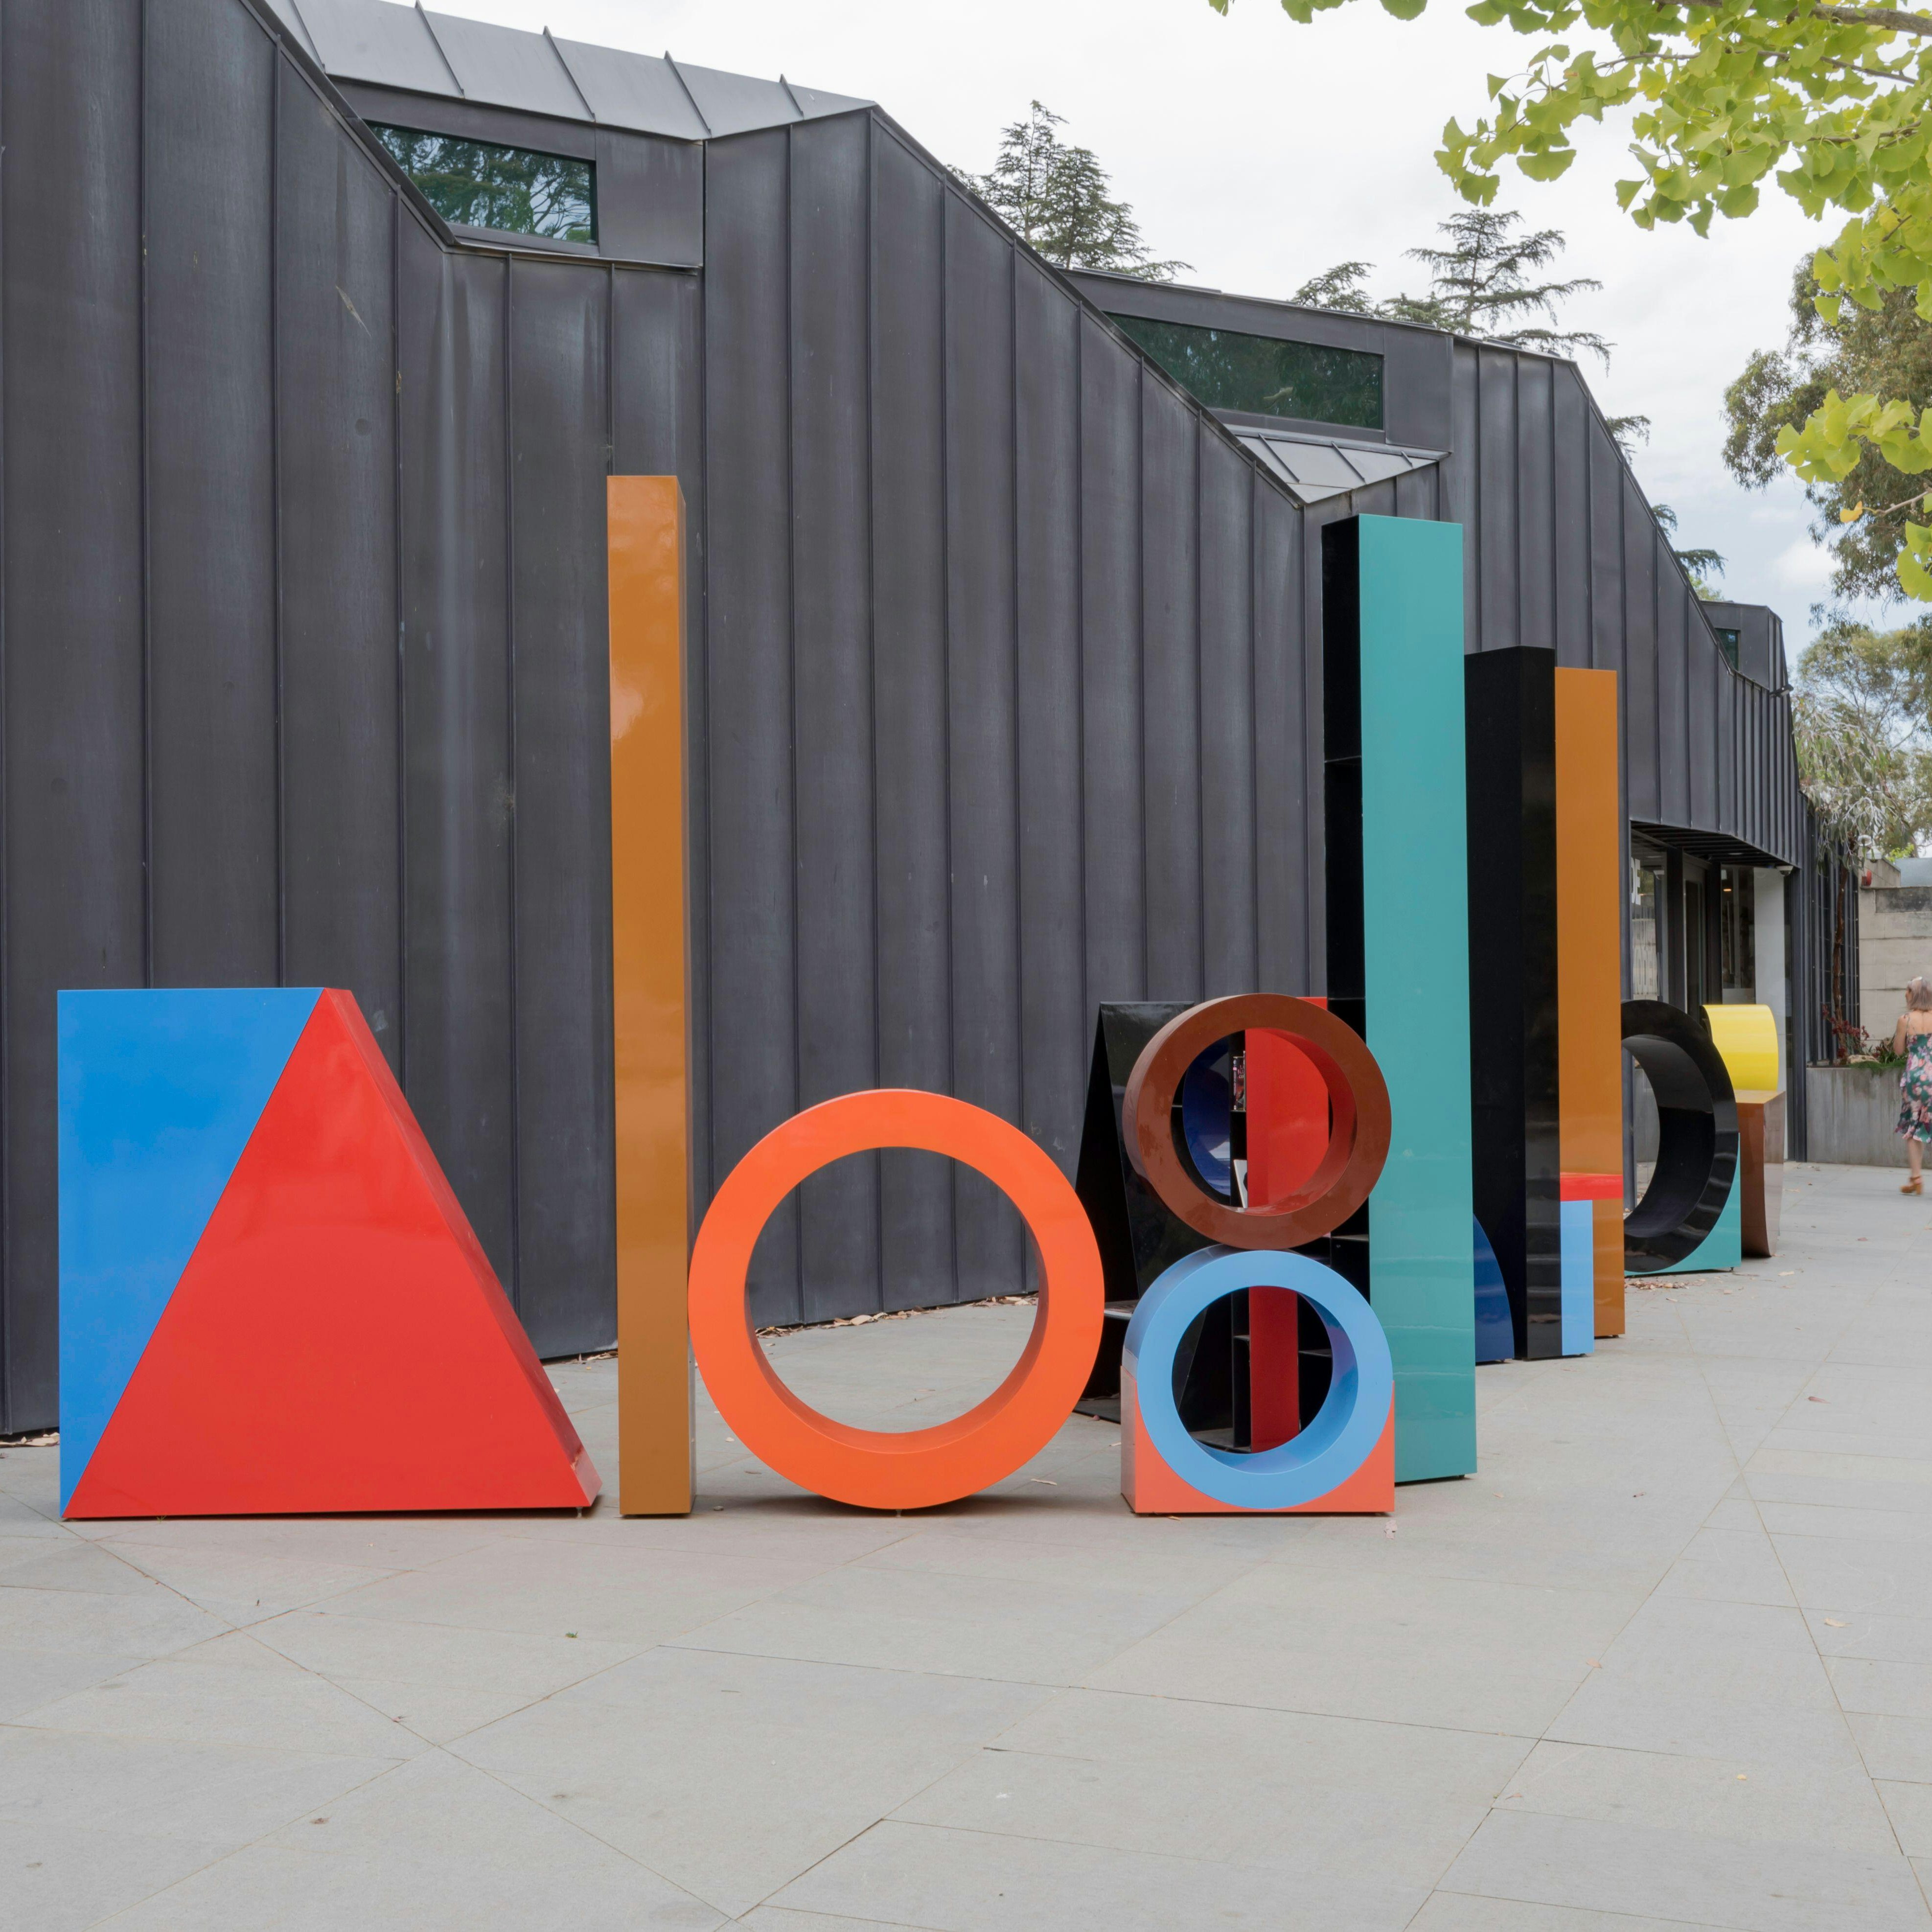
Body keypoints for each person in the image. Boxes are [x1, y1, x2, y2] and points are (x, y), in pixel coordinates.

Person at [1895, 977, 1932, 1194]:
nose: (1905, 994)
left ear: (1914, 994)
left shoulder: (1905, 1019)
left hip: (1915, 1079)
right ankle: (1914, 1178)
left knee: (1914, 1127)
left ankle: (1916, 1177)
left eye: (1907, 990)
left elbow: (1899, 1051)